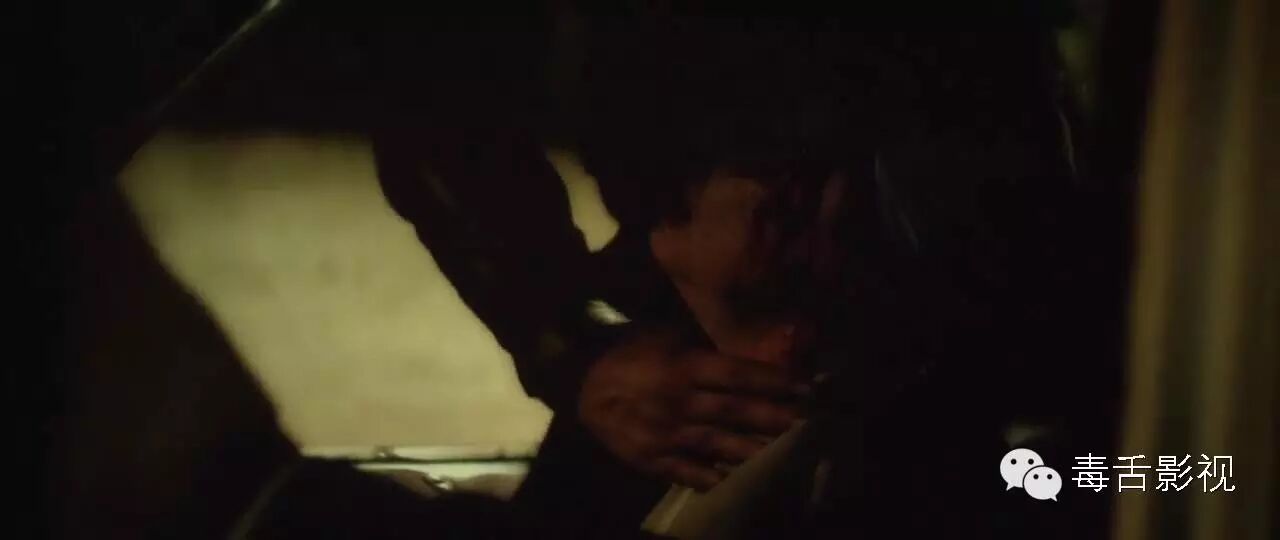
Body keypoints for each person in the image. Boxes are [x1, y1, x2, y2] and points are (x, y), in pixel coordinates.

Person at [373, 12, 1123, 539]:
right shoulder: (671, 378)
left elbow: (1168, 472)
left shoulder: (1037, 374)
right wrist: (574, 345)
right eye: (772, 298)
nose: (788, 358)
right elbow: (431, 80)